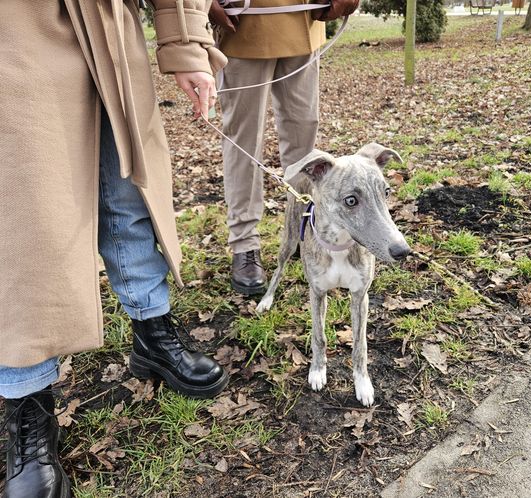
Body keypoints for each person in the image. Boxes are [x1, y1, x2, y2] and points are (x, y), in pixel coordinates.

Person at [0, 1, 228, 496]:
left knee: (128, 190)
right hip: (12, 35)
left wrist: (186, 40)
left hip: (111, 31)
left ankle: (153, 332)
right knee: (23, 227)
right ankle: (28, 405)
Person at [208, 0, 358, 296]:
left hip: (304, 18)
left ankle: (303, 233)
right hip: (241, 22)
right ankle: (244, 244)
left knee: (303, 140)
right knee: (243, 143)